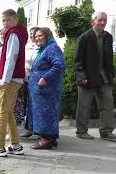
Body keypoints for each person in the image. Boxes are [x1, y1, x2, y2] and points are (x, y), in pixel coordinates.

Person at [0, 9, 28, 157]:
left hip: (10, 79)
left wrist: (4, 80)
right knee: (9, 111)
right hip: (14, 79)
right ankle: (16, 145)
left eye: (8, 20)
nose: (5, 23)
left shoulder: (13, 34)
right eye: (3, 20)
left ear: (15, 19)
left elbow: (11, 58)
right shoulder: (17, 33)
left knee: (2, 112)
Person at [74, 12, 116, 140]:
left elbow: (109, 59)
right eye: (100, 20)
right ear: (93, 22)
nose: (103, 23)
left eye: (105, 20)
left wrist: (112, 76)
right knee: (84, 106)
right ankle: (81, 131)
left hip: (104, 78)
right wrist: (81, 77)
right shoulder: (84, 37)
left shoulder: (109, 37)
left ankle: (106, 131)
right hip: (88, 78)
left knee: (107, 105)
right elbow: (77, 60)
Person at [27, 27, 65, 149]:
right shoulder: (44, 49)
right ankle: (51, 138)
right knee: (45, 113)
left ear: (47, 36)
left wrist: (45, 78)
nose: (37, 38)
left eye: (40, 36)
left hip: (47, 89)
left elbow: (59, 65)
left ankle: (45, 140)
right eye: (36, 36)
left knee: (45, 113)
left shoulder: (52, 48)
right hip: (41, 90)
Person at [20, 27, 41, 140]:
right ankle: (28, 128)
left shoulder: (40, 47)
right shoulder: (26, 46)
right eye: (31, 33)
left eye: (35, 33)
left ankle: (37, 131)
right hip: (26, 79)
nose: (32, 35)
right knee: (27, 106)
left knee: (35, 106)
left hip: (37, 80)